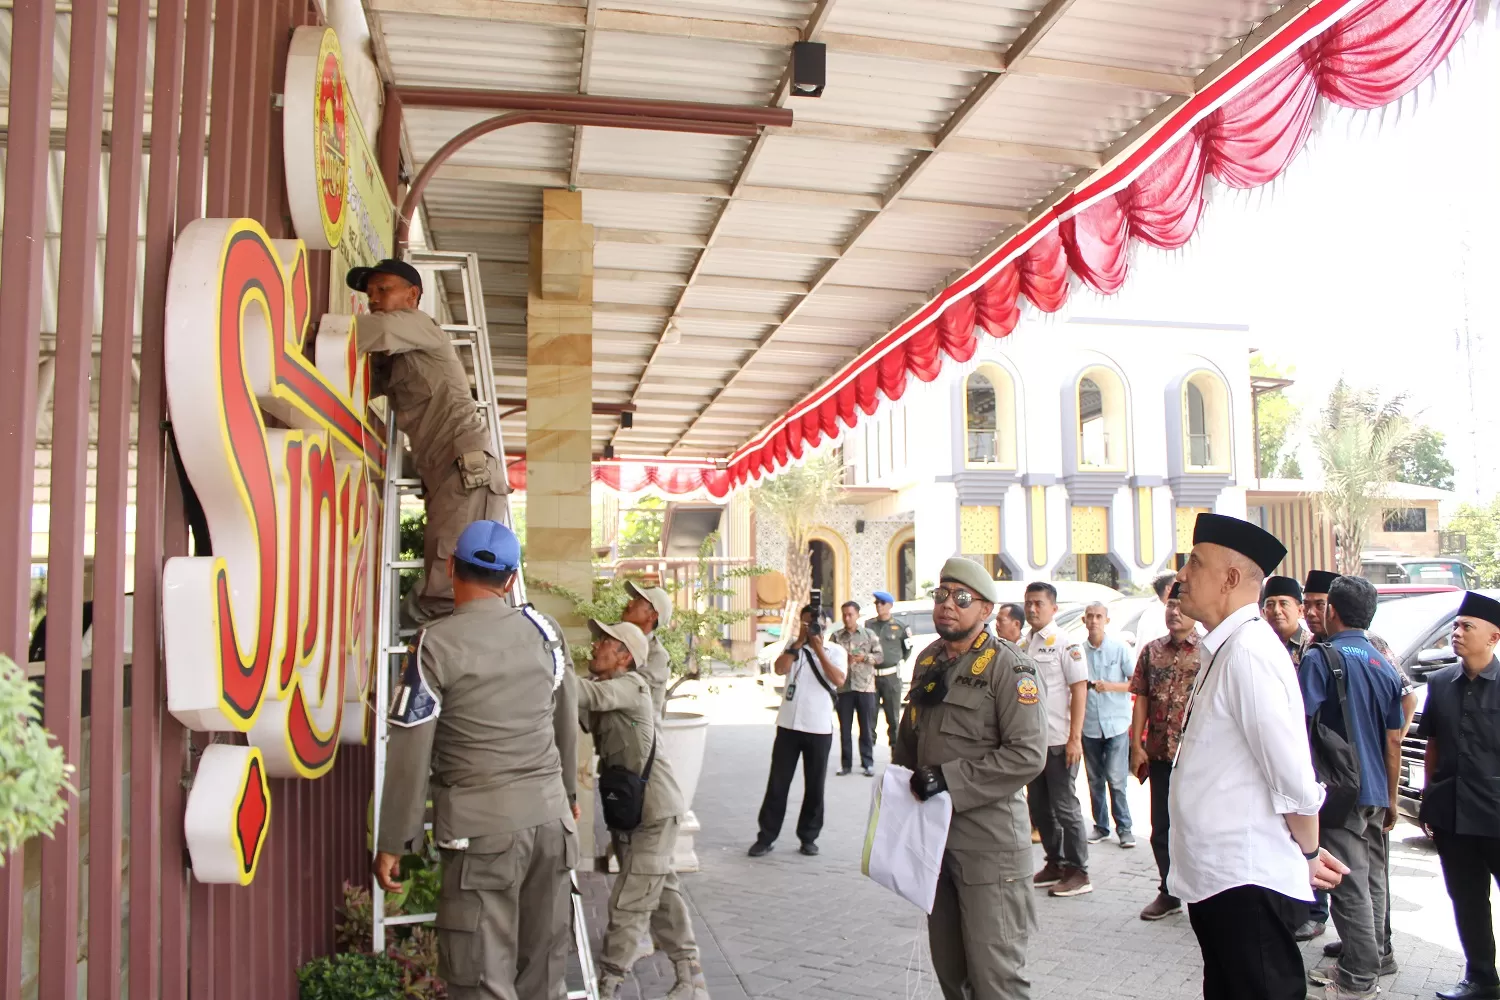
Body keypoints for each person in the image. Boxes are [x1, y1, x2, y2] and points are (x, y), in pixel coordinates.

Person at [375, 520, 579, 1000]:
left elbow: (410, 748)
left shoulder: (433, 645)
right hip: (552, 825)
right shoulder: (545, 634)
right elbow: (565, 724)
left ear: (451, 569)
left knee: (483, 981)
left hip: (481, 835)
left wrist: (395, 842)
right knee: (545, 977)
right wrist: (567, 797)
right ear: (510, 580)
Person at [1170, 513, 1347, 1000]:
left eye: (1195, 563)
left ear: (1230, 579)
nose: (1182, 574)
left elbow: (1292, 776)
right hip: (1221, 877)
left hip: (1243, 879)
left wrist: (1308, 853)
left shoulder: (1248, 651)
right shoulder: (1226, 647)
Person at [895, 557, 1048, 999]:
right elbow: (912, 735)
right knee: (951, 974)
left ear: (985, 610)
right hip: (934, 842)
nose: (948, 605)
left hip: (990, 848)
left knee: (996, 978)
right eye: (941, 595)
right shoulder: (928, 660)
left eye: (962, 598)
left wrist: (948, 779)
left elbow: (1027, 755)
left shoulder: (1010, 668)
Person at [350, 259, 508, 625]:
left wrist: (306, 331)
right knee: (443, 592)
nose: (374, 299)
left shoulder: (419, 326)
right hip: (444, 475)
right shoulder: (393, 356)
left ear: (412, 295)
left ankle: (431, 674)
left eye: (383, 290)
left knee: (446, 592)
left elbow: (358, 334)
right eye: (369, 293)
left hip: (464, 472)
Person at [577, 619, 708, 1000]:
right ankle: (692, 978)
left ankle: (609, 983)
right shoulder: (608, 687)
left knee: (630, 898)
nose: (596, 645)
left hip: (653, 812)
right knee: (661, 891)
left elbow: (584, 696)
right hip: (632, 812)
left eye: (605, 641)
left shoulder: (632, 686)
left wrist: (543, 664)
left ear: (624, 656)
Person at [1299, 576, 1406, 1000]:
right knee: (1374, 877)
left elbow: (1298, 724)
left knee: (1346, 884)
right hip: (1377, 789)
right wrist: (1392, 797)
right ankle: (1379, 955)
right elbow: (1393, 739)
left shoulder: (1322, 658)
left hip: (1339, 789)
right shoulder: (1383, 664)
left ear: (1331, 612)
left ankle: (1359, 976)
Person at [1417, 592, 1500, 1000]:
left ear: (1493, 637)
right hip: (1452, 814)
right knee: (1467, 900)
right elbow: (1433, 742)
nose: (1457, 632)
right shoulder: (1440, 683)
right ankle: (1481, 977)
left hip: (1496, 813)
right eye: (1455, 625)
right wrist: (1430, 795)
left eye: (1467, 626)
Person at [749, 603, 848, 857]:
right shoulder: (793, 647)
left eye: (814, 623)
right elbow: (779, 669)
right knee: (778, 784)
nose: (810, 627)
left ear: (825, 625)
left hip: (819, 728)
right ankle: (766, 836)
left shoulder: (835, 651)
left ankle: (809, 837)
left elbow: (838, 680)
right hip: (788, 726)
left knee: (815, 786)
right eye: (805, 623)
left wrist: (818, 650)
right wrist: (798, 644)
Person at [1128, 582, 1201, 921]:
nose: (1174, 612)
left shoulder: (1207, 651)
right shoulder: (1151, 651)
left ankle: (1202, 892)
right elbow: (1140, 696)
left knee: (1197, 827)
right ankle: (1168, 891)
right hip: (1159, 754)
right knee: (1161, 826)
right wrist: (1136, 745)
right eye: (1170, 605)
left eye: (1181, 605)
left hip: (1197, 758)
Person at [1022, 582, 1092, 897]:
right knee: (1038, 806)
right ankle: (1055, 863)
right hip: (1032, 741)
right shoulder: (1025, 645)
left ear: (1053, 608)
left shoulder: (1066, 643)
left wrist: (1075, 738)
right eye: (1028, 603)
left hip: (1060, 740)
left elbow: (1079, 689)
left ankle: (1079, 871)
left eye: (1038, 603)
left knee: (1065, 806)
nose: (1032, 609)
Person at [1297, 567, 1340, 941]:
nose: (1312, 612)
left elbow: (1405, 696)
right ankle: (1315, 912)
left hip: (1344, 770)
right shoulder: (1305, 646)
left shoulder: (1367, 644)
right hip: (1310, 766)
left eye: (1320, 604)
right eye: (1307, 604)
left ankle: (1373, 941)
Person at [1080, 602, 1135, 849]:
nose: (1094, 621)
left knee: (1116, 779)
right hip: (1089, 724)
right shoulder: (1079, 652)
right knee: (1094, 780)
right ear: (1084, 620)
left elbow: (1135, 683)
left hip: (1116, 723)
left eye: (1099, 616)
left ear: (1107, 620)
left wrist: (1110, 686)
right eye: (1090, 616)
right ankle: (1101, 827)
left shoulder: (1120, 649)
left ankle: (1124, 828)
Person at [832, 601, 884, 776]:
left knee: (866, 728)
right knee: (845, 729)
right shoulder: (836, 636)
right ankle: (845, 765)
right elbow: (828, 658)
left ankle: (867, 763)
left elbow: (880, 656)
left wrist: (864, 657)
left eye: (850, 614)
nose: (847, 618)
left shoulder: (869, 634)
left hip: (865, 687)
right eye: (844, 614)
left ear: (857, 615)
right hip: (844, 688)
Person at [867, 591, 913, 748]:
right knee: (869, 718)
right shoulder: (869, 625)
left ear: (890, 605)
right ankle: (868, 760)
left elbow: (907, 649)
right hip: (871, 677)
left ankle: (895, 754)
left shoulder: (899, 627)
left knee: (893, 718)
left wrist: (895, 662)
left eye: (882, 603)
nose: (878, 606)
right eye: (876, 603)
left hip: (891, 677)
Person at [622, 580, 674, 717]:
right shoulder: (619, 642)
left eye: (638, 601)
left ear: (652, 616)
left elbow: (625, 692)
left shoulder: (657, 656)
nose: (629, 604)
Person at [1262, 575, 1311, 665]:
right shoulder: (1258, 645)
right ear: (1264, 612)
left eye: (1283, 604)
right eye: (1270, 604)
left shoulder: (1311, 646)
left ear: (1300, 611)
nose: (1277, 610)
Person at [1134, 571, 1177, 650]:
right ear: (1168, 589)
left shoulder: (1183, 611)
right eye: (1178, 584)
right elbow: (1143, 648)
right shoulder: (1151, 615)